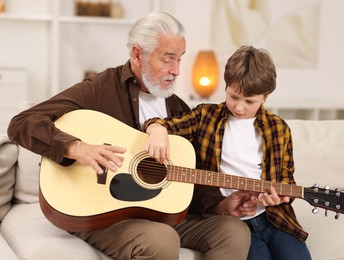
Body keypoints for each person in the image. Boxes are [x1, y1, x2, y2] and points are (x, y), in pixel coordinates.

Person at [7, 11, 255, 260]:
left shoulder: (179, 109)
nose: (177, 70)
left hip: (159, 214)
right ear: (138, 54)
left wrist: (221, 205)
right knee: (161, 239)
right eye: (168, 59)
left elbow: (188, 178)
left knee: (234, 231)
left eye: (180, 59)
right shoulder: (100, 88)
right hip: (100, 212)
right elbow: (22, 122)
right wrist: (77, 148)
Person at [145, 46, 312, 260]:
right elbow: (165, 123)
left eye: (250, 101)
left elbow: (286, 181)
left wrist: (277, 198)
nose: (239, 107)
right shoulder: (205, 117)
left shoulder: (278, 128)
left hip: (273, 219)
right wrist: (157, 128)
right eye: (234, 96)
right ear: (226, 87)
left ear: (266, 97)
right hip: (232, 222)